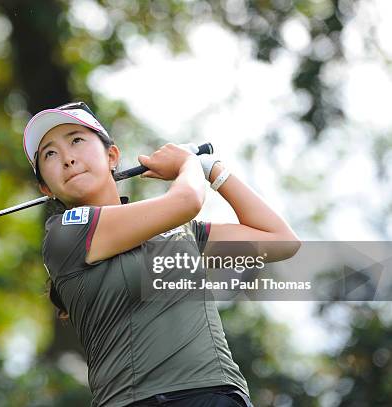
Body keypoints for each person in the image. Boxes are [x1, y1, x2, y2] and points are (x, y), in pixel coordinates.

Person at [23, 101, 301, 407]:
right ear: (45, 188)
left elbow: (281, 241)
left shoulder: (183, 231)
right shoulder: (65, 233)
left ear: (112, 156)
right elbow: (187, 200)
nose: (67, 158)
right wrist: (188, 165)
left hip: (221, 394)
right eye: (50, 153)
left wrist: (213, 169)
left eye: (76, 140)